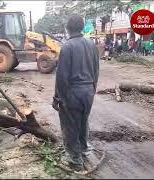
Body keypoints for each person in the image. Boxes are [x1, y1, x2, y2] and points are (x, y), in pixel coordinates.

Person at [52, 14, 99, 171]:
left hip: (73, 93)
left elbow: (62, 77)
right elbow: (96, 70)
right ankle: (84, 149)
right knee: (83, 121)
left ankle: (75, 161)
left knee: (70, 125)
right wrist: (92, 89)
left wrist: (57, 98)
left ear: (67, 28)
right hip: (88, 91)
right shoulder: (91, 45)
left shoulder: (67, 47)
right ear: (81, 27)